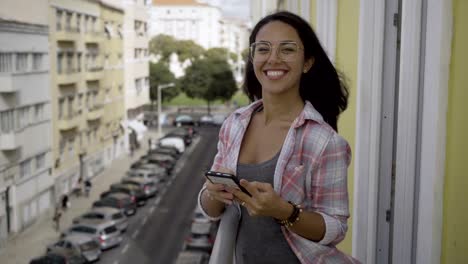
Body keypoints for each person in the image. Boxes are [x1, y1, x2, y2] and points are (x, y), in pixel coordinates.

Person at [198, 11, 359, 263]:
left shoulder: (323, 141)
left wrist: (283, 211)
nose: (273, 59)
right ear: (253, 58)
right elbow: (211, 209)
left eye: (287, 49)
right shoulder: (234, 124)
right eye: (263, 49)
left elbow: (336, 228)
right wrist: (212, 193)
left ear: (307, 62)